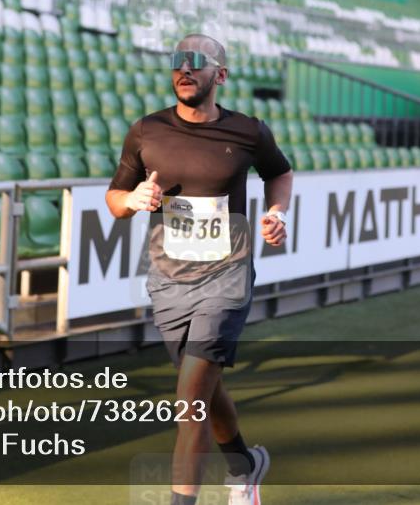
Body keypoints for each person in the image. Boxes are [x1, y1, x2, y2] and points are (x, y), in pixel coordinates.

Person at [106, 34, 293, 505]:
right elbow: (115, 197)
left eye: (197, 62)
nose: (184, 70)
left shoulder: (249, 131)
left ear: (220, 75)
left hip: (226, 276)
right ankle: (244, 465)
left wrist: (278, 213)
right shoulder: (146, 131)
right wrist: (131, 199)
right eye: (177, 62)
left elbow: (280, 173)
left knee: (188, 399)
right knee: (205, 388)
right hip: (169, 279)